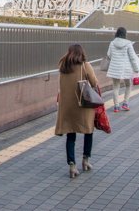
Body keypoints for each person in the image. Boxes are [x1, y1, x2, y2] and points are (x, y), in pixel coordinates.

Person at [55, 44, 97, 178]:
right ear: (82, 53)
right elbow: (94, 83)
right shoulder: (85, 65)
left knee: (70, 135)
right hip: (82, 105)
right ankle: (85, 161)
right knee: (88, 131)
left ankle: (72, 166)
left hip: (67, 106)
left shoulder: (63, 66)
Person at [106, 27, 139, 113]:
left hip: (115, 67)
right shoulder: (128, 43)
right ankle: (125, 103)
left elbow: (109, 55)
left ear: (117, 33)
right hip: (126, 68)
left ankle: (116, 106)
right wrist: (136, 69)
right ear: (125, 34)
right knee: (128, 85)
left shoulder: (112, 43)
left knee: (116, 86)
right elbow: (132, 57)